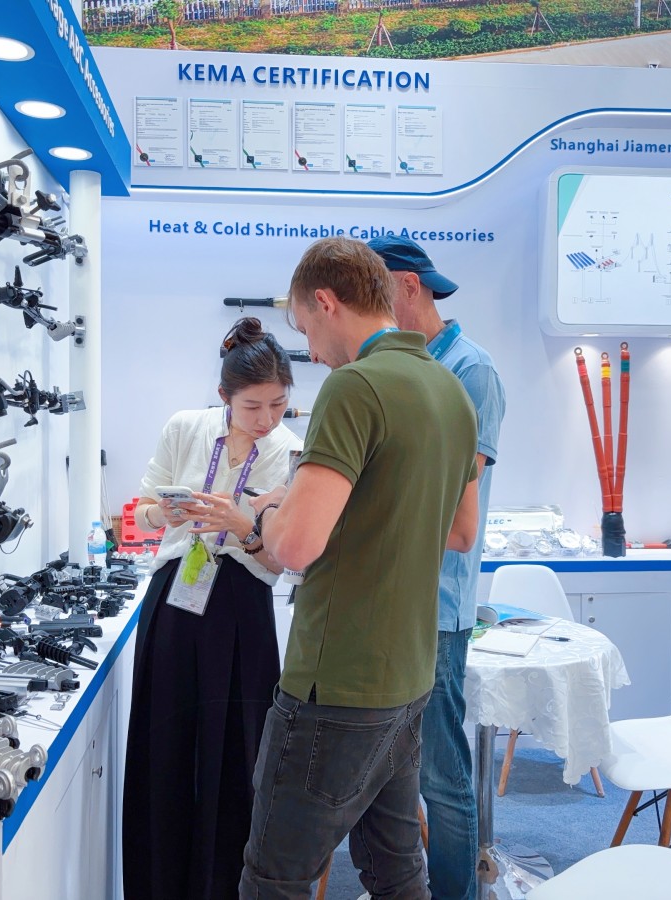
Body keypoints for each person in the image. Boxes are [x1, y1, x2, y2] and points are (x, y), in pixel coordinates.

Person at [239, 236, 481, 899]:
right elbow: (462, 531)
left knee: (274, 880)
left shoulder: (354, 387)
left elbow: (295, 548)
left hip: (336, 682)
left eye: (305, 330)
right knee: (396, 873)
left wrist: (270, 513)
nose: (313, 352)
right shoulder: (451, 390)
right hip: (408, 677)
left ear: (326, 302)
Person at [122, 317, 303, 900]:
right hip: (176, 597)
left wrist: (244, 524)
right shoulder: (185, 428)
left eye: (278, 404)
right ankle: (160, 883)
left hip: (242, 606)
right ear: (224, 395)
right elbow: (137, 513)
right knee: (165, 746)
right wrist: (165, 514)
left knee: (239, 755)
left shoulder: (291, 453)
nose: (266, 419)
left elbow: (281, 559)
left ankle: (225, 887)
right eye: (252, 406)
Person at [368, 234, 505, 900]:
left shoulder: (471, 371)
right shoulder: (395, 365)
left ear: (408, 286)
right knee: (390, 768)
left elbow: (451, 502)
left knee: (441, 776)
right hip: (389, 597)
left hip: (438, 605)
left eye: (375, 293)